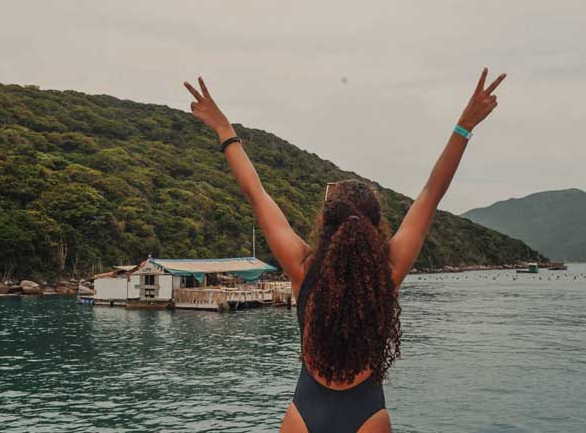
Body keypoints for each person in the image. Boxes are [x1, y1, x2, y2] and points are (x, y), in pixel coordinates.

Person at [184, 67, 505, 433]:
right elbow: (432, 193)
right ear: (375, 225)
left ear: (326, 223)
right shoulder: (389, 271)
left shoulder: (302, 268)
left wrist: (225, 130)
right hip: (368, 417)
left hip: (303, 414)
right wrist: (464, 126)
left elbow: (256, 195)